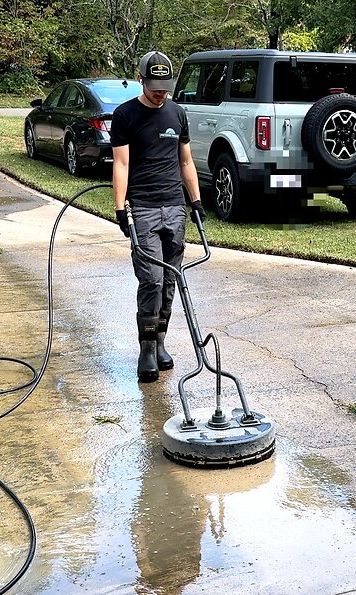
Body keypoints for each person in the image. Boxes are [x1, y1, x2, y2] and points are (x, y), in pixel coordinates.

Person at [111, 51, 205, 383]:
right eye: (154, 86)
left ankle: (161, 341)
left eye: (164, 87)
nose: (160, 93)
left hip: (175, 207)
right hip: (145, 207)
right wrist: (121, 208)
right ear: (141, 80)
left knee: (170, 282)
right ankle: (146, 349)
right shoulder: (125, 116)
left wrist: (196, 201)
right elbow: (121, 164)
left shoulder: (178, 113)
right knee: (150, 280)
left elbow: (185, 161)